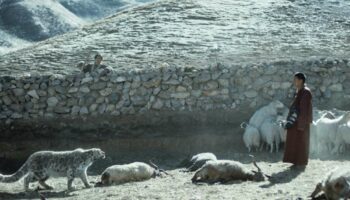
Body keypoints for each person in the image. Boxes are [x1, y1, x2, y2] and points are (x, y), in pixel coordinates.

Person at [283, 72, 313, 170]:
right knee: (294, 142)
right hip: (295, 121)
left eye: (296, 79)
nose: (294, 81)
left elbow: (303, 109)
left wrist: (301, 125)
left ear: (301, 80)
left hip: (301, 123)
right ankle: (295, 161)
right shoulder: (299, 91)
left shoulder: (305, 92)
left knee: (301, 142)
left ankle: (301, 162)